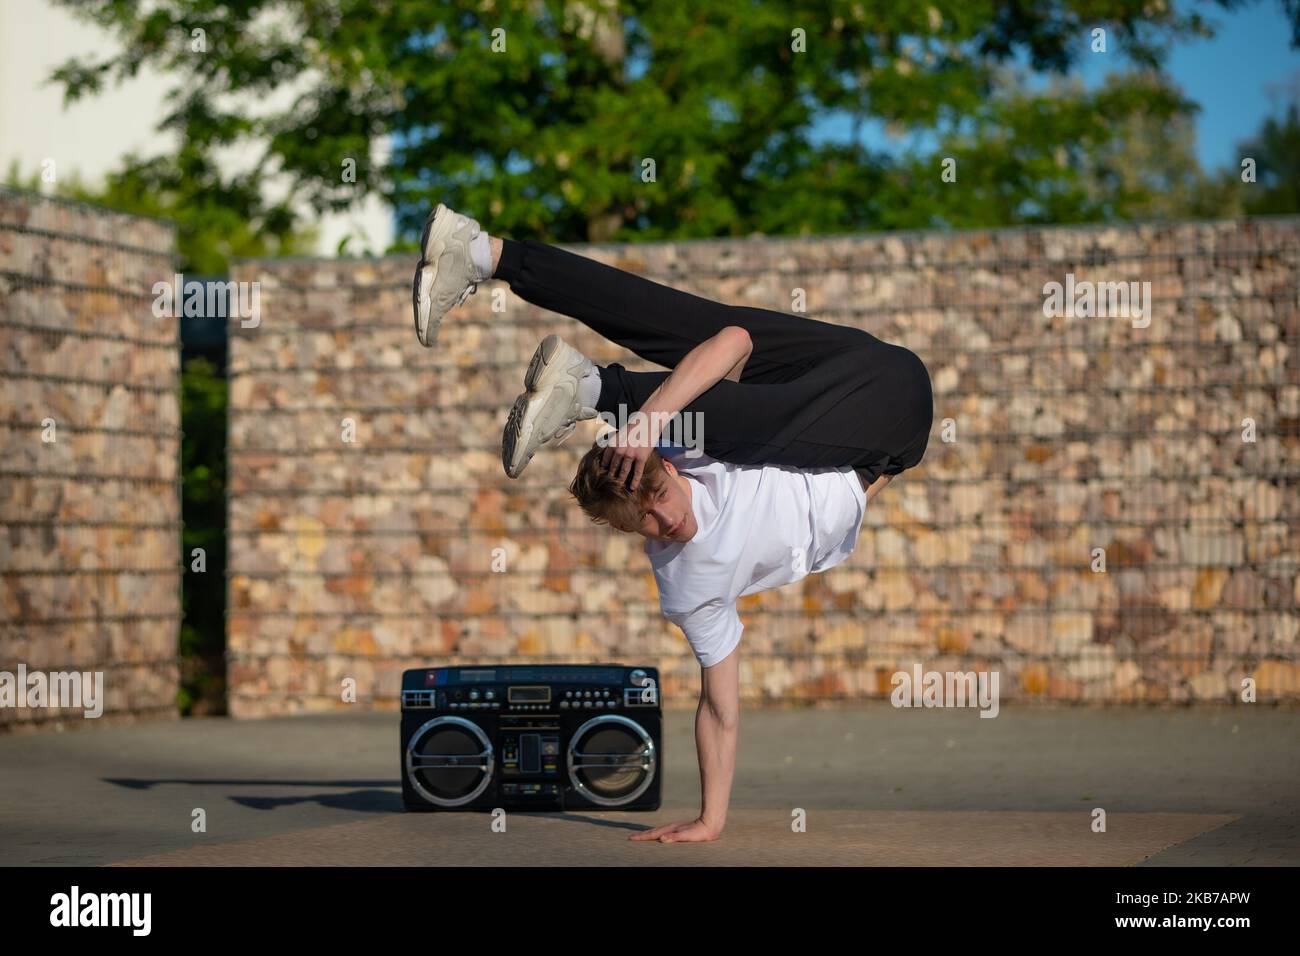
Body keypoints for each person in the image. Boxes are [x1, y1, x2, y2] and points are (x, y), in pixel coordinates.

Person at [412, 204, 933, 843]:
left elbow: (736, 345)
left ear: (662, 464)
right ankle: (487, 255)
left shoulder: (689, 447)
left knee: (709, 376)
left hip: (876, 387)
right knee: (678, 329)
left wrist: (650, 420)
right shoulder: (690, 586)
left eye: (659, 492)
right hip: (881, 438)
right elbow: (719, 706)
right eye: (650, 525)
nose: (669, 519)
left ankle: (600, 395)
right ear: (631, 535)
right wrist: (712, 819)